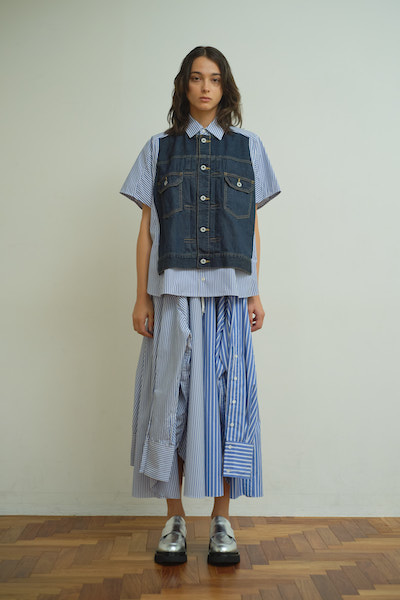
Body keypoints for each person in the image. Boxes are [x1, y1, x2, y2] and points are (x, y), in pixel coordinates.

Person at [119, 46, 281, 566]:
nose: (205, 87)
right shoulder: (159, 148)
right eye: (196, 78)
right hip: (173, 294)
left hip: (230, 296)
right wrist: (141, 296)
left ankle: (221, 520)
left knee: (227, 403)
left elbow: (252, 229)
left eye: (214, 78)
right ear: (183, 86)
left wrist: (255, 290)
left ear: (225, 86)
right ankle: (174, 519)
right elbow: (146, 231)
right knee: (169, 402)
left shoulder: (249, 147)